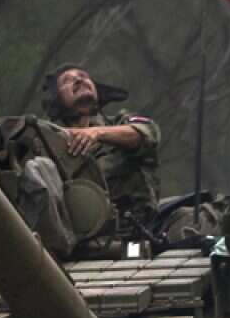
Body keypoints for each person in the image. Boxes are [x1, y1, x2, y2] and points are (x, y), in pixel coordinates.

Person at [43, 64, 161, 226]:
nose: (79, 79)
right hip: (73, 234)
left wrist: (97, 133)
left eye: (84, 76)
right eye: (67, 81)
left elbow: (147, 134)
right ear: (58, 100)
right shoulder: (48, 143)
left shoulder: (119, 124)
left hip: (134, 230)